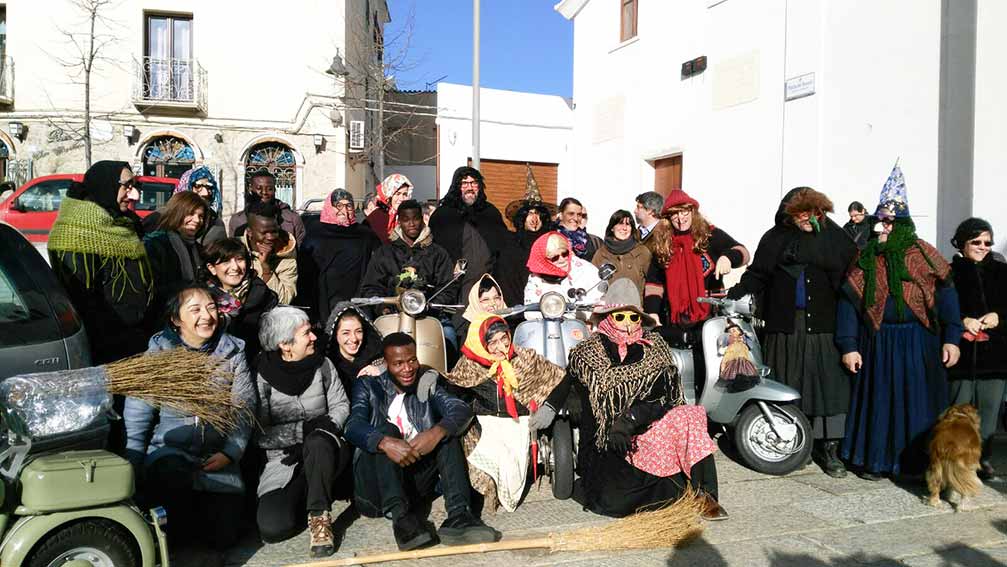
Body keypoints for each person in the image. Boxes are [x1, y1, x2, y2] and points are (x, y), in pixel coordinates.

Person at [837, 166, 962, 480]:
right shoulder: (866, 257)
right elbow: (849, 304)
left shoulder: (925, 254)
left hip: (920, 342)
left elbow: (947, 297)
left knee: (918, 405)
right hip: (878, 342)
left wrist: (952, 337)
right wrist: (849, 346)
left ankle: (918, 466)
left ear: (903, 223)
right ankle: (876, 461)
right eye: (880, 220)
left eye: (890, 221)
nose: (883, 226)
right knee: (880, 403)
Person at [726, 188, 857, 477]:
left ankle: (829, 448)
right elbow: (757, 274)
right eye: (802, 213)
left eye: (815, 212)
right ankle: (799, 443)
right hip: (784, 326)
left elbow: (852, 281)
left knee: (828, 389)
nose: (809, 218)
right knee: (789, 384)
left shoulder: (835, 240)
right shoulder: (775, 239)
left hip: (823, 327)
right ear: (790, 215)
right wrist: (733, 295)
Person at [567, 279, 724, 519]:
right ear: (608, 317)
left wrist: (629, 419)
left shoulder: (655, 347)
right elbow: (569, 383)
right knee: (612, 504)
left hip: (648, 429)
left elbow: (664, 398)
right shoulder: (587, 352)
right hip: (608, 441)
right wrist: (558, 402)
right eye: (620, 317)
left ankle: (707, 494)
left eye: (633, 317)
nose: (628, 324)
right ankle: (675, 488)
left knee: (689, 415)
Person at [124, 285, 255, 555]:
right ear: (176, 319)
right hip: (170, 453)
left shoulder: (232, 352)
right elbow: (138, 414)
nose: (206, 316)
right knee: (173, 488)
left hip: (215, 456)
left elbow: (244, 406)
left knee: (225, 537)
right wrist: (133, 465)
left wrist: (231, 452)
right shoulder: (158, 355)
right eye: (194, 310)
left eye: (211, 307)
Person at [345, 333, 500, 550]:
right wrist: (384, 442)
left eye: (411, 360)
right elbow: (352, 426)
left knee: (445, 433)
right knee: (387, 430)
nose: (407, 368)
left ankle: (459, 516)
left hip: (413, 481)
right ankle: (402, 522)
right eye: (398, 363)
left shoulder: (425, 382)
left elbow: (459, 409)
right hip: (377, 488)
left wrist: (435, 432)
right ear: (385, 364)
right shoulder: (369, 386)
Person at [254, 307, 352, 558]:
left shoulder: (323, 365)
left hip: (326, 448)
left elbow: (341, 404)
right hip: (285, 460)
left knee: (317, 441)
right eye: (306, 333)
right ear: (285, 345)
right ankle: (308, 499)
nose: (314, 337)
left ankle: (320, 518)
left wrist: (326, 426)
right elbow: (260, 432)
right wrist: (299, 431)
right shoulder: (262, 375)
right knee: (273, 528)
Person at [445, 313, 569, 512]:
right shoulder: (470, 365)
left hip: (519, 424)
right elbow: (452, 388)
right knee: (484, 483)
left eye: (504, 339)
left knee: (511, 483)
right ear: (481, 344)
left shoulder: (525, 359)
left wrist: (550, 408)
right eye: (492, 342)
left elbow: (562, 379)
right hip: (486, 424)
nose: (500, 347)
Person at [48, 160, 152, 365]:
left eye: (134, 185)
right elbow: (82, 301)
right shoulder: (75, 234)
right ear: (105, 185)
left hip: (134, 336)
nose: (134, 195)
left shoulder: (123, 222)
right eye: (127, 186)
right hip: (107, 347)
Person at [948, 218, 1007, 480]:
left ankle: (982, 459)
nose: (983, 247)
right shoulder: (949, 273)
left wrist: (999, 317)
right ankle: (958, 462)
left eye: (987, 242)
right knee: (959, 412)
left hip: (994, 356)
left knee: (989, 412)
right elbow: (939, 309)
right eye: (976, 242)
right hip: (961, 354)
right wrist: (963, 320)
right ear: (963, 243)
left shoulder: (1003, 271)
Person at [644, 188, 749, 332]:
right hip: (674, 319)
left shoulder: (710, 235)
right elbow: (654, 283)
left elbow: (743, 252)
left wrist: (728, 257)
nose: (680, 218)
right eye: (674, 214)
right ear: (668, 218)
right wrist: (652, 312)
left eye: (684, 212)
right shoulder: (663, 243)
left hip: (711, 317)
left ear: (692, 211)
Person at [428, 166, 512, 303]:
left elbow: (503, 249)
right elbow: (434, 252)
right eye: (464, 183)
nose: (470, 187)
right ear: (457, 186)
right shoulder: (443, 216)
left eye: (474, 183)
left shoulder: (490, 213)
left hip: (486, 286)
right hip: (456, 287)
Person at [296, 189, 380, 324]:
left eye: (349, 206)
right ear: (330, 207)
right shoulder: (315, 233)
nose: (344, 211)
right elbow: (305, 271)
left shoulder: (365, 234)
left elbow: (377, 262)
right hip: (325, 298)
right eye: (339, 205)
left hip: (357, 297)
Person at [359, 199, 457, 314]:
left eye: (416, 218)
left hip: (429, 317)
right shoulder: (384, 253)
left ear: (422, 219)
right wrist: (383, 308)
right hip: (392, 317)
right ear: (399, 221)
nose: (411, 223)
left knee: (448, 332)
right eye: (406, 219)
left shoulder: (438, 253)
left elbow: (448, 287)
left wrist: (429, 306)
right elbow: (371, 287)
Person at [204, 237, 279, 362]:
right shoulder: (202, 299)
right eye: (226, 261)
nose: (235, 267)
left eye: (240, 259)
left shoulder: (262, 295)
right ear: (212, 268)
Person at [144, 191, 207, 318]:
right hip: (163, 316)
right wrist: (188, 288)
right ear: (177, 213)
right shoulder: (156, 245)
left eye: (201, 216)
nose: (196, 220)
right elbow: (151, 289)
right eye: (190, 214)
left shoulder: (197, 249)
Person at [497, 177, 557, 306]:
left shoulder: (552, 241)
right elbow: (506, 278)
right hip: (517, 307)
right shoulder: (511, 244)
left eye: (538, 213)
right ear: (522, 217)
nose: (534, 218)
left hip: (550, 305)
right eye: (530, 213)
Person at [144, 166, 227, 245]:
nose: (205, 193)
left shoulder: (215, 224)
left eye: (209, 188)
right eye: (198, 186)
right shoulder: (158, 218)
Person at [524, 231, 604, 309]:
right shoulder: (536, 280)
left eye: (565, 254)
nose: (562, 259)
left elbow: (601, 299)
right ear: (543, 261)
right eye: (555, 258)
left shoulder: (584, 269)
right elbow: (530, 313)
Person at [241, 199, 298, 304]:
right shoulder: (236, 250)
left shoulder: (286, 256)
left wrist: (266, 268)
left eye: (274, 231)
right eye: (264, 233)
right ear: (250, 232)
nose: (270, 237)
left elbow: (284, 300)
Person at [229, 169, 305, 244]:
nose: (264, 192)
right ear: (250, 189)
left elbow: (299, 249)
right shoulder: (238, 220)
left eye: (269, 189)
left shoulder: (292, 218)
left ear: (275, 190)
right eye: (259, 188)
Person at [325, 302, 387, 394]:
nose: (354, 339)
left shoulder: (377, 357)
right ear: (335, 335)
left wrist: (381, 370)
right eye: (346, 333)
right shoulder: (328, 366)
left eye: (358, 331)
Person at [592, 210, 653, 300]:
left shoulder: (642, 252)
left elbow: (652, 283)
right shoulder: (601, 254)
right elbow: (592, 283)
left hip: (635, 309)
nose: (624, 228)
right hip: (608, 309)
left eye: (628, 224)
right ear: (612, 228)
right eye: (620, 223)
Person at [455, 273, 508, 344]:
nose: (492, 303)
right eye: (486, 300)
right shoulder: (470, 332)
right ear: (476, 302)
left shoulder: (507, 325)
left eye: (496, 298)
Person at [366, 173, 413, 245]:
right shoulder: (376, 217)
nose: (401, 198)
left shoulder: (407, 216)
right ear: (389, 194)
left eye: (405, 194)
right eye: (397, 194)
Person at [554, 197, 602, 261]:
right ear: (561, 215)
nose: (576, 218)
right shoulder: (551, 238)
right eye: (571, 214)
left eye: (579, 215)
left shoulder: (593, 241)